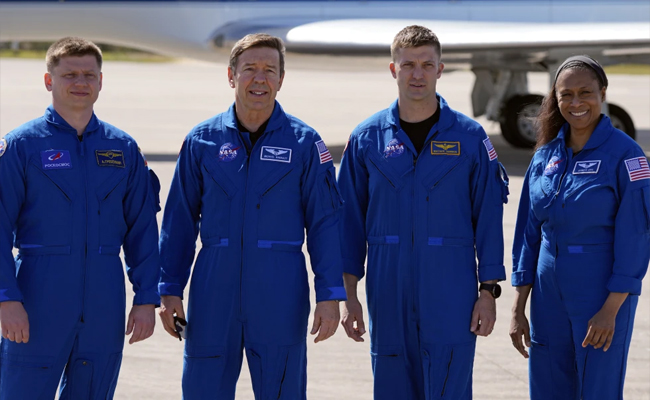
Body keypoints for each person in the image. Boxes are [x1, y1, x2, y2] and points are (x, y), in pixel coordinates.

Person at [157, 33, 345, 399]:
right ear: (231, 76)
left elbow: (325, 224)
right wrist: (169, 289)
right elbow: (178, 221)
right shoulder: (202, 141)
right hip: (213, 288)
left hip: (280, 289)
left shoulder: (305, 143)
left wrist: (329, 294)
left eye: (269, 70)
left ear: (281, 79)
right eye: (249, 70)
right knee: (202, 388)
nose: (259, 79)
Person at [337, 25, 509, 400]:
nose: (417, 74)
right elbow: (348, 222)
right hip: (387, 290)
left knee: (450, 385)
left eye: (426, 65)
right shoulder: (366, 139)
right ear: (393, 69)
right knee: (392, 385)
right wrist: (348, 294)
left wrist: (489, 291)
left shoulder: (469, 137)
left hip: (452, 292)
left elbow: (489, 219)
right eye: (408, 65)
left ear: (440, 69)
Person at [0, 37, 161, 399]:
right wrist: (6, 299)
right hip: (38, 296)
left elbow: (142, 230)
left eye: (89, 74)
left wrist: (146, 298)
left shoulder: (123, 149)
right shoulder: (22, 146)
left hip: (105, 299)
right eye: (69, 74)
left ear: (101, 82)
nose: (80, 82)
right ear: (48, 81)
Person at [510, 55, 649, 399]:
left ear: (602, 93)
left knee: (597, 388)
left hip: (598, 291)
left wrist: (610, 309)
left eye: (585, 93)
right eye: (566, 94)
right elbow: (529, 233)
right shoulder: (546, 155)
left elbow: (636, 237)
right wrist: (517, 306)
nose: (575, 103)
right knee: (547, 385)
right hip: (547, 292)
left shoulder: (627, 155)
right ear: (555, 98)